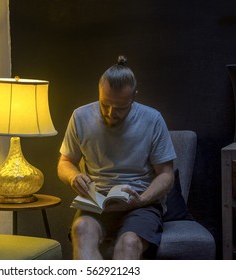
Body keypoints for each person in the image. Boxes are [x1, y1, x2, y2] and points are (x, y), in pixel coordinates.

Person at [57, 55, 176, 260]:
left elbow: (166, 174)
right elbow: (65, 162)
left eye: (120, 108)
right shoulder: (80, 116)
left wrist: (142, 199)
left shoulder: (152, 119)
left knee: (129, 243)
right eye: (105, 105)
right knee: (82, 229)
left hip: (140, 203)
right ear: (99, 92)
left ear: (134, 97)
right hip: (97, 202)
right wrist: (73, 177)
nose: (111, 113)